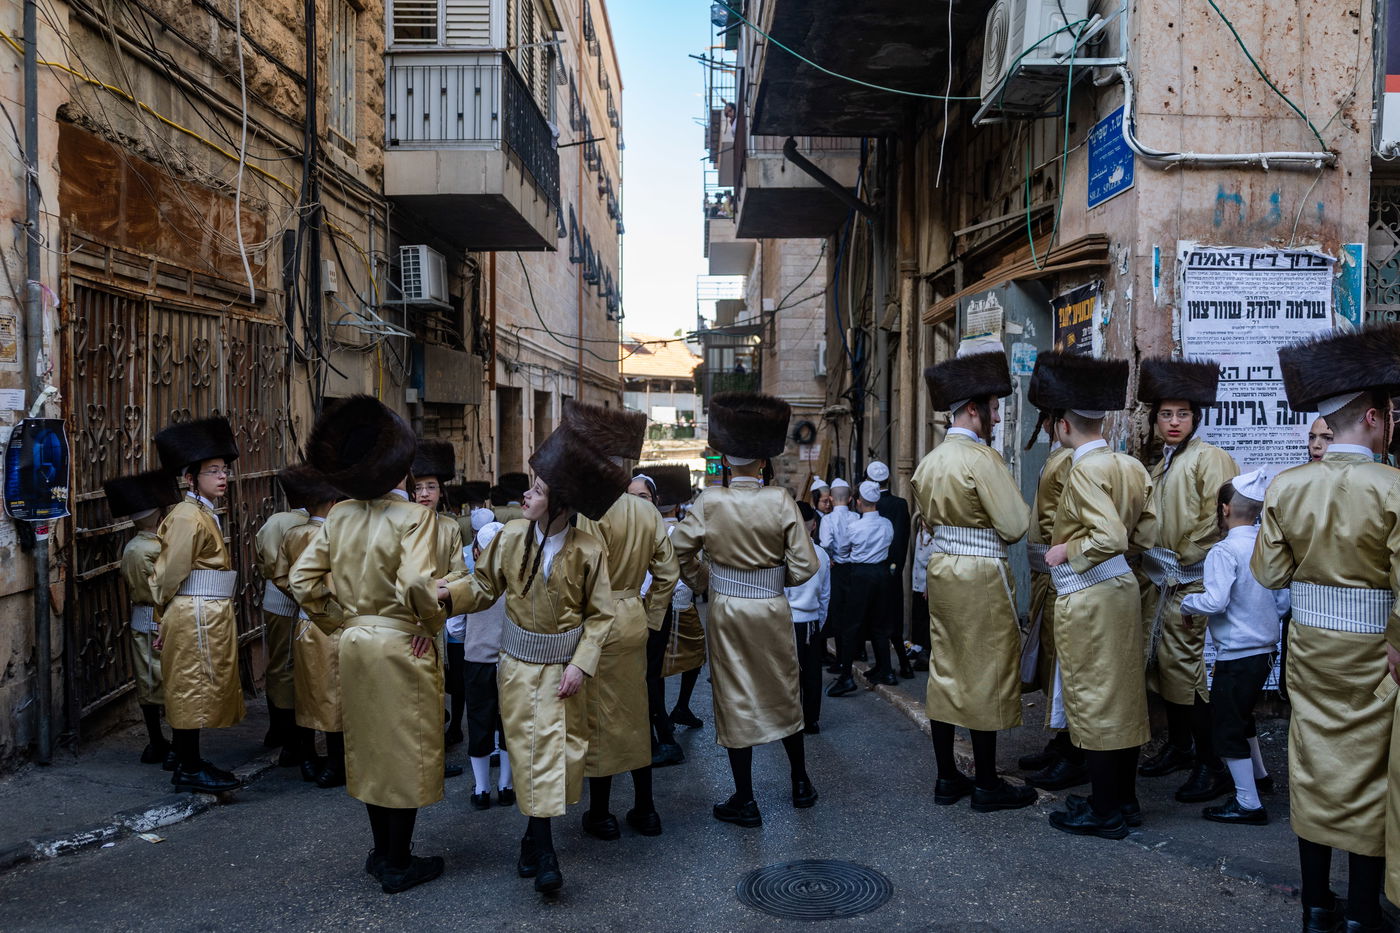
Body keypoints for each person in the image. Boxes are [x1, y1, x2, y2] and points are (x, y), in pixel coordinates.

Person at [1251, 326, 1400, 933]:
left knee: (1310, 765)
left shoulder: (1285, 486)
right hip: (1376, 651)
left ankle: (1316, 908)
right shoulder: (1395, 488)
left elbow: (1268, 573)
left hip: (1310, 646)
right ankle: (1363, 914)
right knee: (1368, 772)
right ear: (1371, 417)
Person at [440, 422, 625, 896]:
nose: (526, 495)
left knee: (558, 757)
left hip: (565, 672)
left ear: (561, 503)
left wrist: (581, 664)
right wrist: (447, 595)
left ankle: (532, 839)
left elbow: (601, 616)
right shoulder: (509, 539)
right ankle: (544, 852)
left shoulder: (589, 550)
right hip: (517, 669)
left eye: (538, 490)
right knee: (527, 754)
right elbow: (483, 587)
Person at [289, 396, 447, 894]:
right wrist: (428, 627)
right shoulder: (413, 518)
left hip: (354, 640)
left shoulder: (337, 517)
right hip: (400, 641)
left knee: (371, 748)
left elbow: (301, 579)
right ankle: (398, 862)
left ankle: (383, 853)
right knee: (404, 749)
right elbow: (419, 586)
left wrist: (339, 622)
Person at [671, 392, 821, 827]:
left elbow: (677, 551)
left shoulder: (710, 503)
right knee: (782, 688)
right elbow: (806, 564)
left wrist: (703, 581)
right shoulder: (780, 500)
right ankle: (800, 784)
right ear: (763, 462)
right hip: (772, 607)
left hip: (728, 610)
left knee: (735, 694)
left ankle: (745, 799)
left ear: (724, 460)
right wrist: (776, 582)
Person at [1036, 352, 1156, 840]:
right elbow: (1146, 532)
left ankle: (1104, 810)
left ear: (1063, 425)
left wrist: (1068, 549)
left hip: (1089, 592)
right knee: (1124, 697)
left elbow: (1108, 537)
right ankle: (1123, 801)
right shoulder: (1129, 464)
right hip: (1123, 589)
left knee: (1095, 700)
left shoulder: (1082, 470)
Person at [913, 348, 1035, 812]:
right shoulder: (981, 459)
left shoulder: (929, 461)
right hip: (981, 572)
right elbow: (1014, 524)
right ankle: (986, 783)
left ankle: (947, 778)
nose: (998, 417)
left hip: (943, 569)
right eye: (994, 408)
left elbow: (926, 520)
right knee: (985, 671)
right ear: (972, 409)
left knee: (945, 669)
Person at [564, 401, 679, 842]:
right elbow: (668, 574)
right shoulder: (647, 511)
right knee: (636, 713)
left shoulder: (591, 511)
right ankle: (646, 808)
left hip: (599, 622)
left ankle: (601, 814)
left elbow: (583, 575)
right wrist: (650, 619)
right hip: (634, 617)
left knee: (599, 718)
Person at [1135, 358, 1240, 804]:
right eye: (1165, 414)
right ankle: (1179, 748)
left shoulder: (1209, 458)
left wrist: (1182, 561)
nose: (1173, 422)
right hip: (1163, 583)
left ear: (1196, 417)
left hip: (1193, 584)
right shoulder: (1162, 462)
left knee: (1190, 676)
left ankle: (1210, 764)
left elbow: (1219, 519)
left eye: (1182, 414)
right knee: (1163, 670)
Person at [1179, 470, 1288, 826]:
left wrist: (1187, 604)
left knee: (1226, 726)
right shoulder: (1266, 547)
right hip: (1264, 652)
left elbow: (1216, 602)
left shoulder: (1223, 551)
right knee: (1243, 718)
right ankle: (1259, 778)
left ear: (1224, 509)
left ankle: (1248, 804)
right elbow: (1283, 602)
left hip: (1237, 654)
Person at [150, 417, 245, 795]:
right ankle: (188, 766)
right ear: (191, 478)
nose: (223, 477)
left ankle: (189, 758)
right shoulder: (188, 516)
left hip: (205, 610)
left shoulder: (203, 511)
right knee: (191, 686)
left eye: (224, 470)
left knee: (200, 685)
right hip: (194, 612)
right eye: (212, 471)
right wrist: (161, 616)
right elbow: (171, 572)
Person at [1017, 368, 1085, 791]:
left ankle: (1075, 751)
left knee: (1066, 666)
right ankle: (1062, 741)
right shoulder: (1057, 457)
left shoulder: (1069, 460)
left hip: (1063, 574)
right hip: (1047, 575)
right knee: (1050, 664)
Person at [102, 469, 181, 767]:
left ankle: (156, 741)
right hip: (160, 619)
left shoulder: (133, 546)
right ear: (159, 515)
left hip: (141, 620)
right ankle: (172, 743)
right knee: (170, 682)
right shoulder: (153, 548)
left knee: (148, 684)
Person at [276, 465, 346, 787]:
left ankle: (307, 756)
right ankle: (335, 762)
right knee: (334, 692)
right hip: (335, 623)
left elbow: (279, 577)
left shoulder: (291, 535)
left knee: (305, 691)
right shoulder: (338, 534)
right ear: (333, 501)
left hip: (303, 624)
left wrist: (305, 600)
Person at [640, 464, 701, 765]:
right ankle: (669, 717)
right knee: (664, 667)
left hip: (651, 604)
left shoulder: (645, 526)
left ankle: (668, 717)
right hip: (671, 602)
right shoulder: (676, 529)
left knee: (656, 669)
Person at [457, 521, 513, 810]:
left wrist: (475, 636)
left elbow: (455, 626)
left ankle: (481, 788)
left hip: (477, 659)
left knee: (479, 719)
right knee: (510, 722)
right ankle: (506, 785)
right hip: (512, 661)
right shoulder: (519, 585)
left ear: (476, 551)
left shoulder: (468, 584)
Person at [253, 478, 310, 760]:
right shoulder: (310, 524)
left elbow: (261, 555)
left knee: (278, 664)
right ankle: (293, 739)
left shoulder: (275, 521)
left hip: (273, 598)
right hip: (300, 601)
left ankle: (277, 729)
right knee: (296, 667)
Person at [826, 481, 894, 695]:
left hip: (861, 574)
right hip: (882, 575)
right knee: (880, 624)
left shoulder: (854, 527)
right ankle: (887, 670)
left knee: (851, 626)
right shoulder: (887, 525)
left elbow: (844, 549)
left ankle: (846, 676)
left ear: (859, 502)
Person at [787, 501, 830, 734]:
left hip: (788, 621)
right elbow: (825, 595)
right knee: (812, 673)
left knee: (789, 673)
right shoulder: (821, 554)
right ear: (813, 525)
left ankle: (790, 719)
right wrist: (819, 622)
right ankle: (811, 719)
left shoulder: (784, 555)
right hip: (812, 621)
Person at [868, 460, 913, 679]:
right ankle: (904, 664)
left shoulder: (869, 505)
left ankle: (883, 667)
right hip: (893, 569)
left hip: (873, 570)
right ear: (889, 480)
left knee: (877, 620)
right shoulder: (900, 504)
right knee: (894, 620)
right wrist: (897, 567)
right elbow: (902, 540)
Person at [820, 478, 854, 674]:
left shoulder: (827, 520)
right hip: (852, 568)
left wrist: (831, 557)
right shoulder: (856, 519)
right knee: (851, 614)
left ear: (831, 498)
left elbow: (825, 542)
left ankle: (841, 659)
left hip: (836, 570)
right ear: (850, 499)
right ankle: (848, 658)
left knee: (837, 615)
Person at [906, 519, 933, 672]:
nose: (923, 523)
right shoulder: (920, 534)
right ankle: (917, 645)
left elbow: (931, 562)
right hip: (917, 582)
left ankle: (926, 650)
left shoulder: (934, 538)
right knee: (917, 615)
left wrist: (929, 585)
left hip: (926, 584)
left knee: (926, 617)